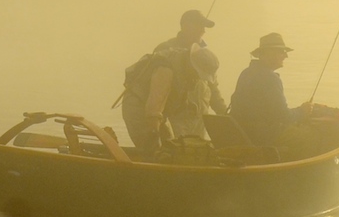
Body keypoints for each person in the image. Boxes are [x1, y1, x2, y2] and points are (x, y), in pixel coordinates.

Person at [122, 9, 218, 150]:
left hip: (161, 111)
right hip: (139, 107)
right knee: (152, 148)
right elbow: (155, 105)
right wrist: (153, 132)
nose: (198, 77)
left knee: (170, 146)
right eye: (198, 73)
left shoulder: (196, 60)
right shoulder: (166, 68)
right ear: (192, 64)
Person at [230, 32, 296, 146]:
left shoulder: (246, 73)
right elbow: (284, 116)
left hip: (241, 132)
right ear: (268, 53)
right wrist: (303, 111)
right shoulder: (270, 78)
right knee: (309, 136)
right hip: (261, 137)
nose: (286, 56)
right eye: (282, 52)